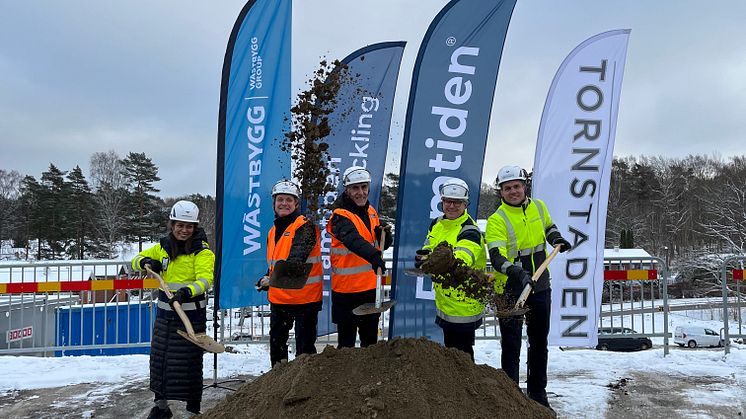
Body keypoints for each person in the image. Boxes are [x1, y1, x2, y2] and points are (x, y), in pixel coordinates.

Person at [485, 165, 572, 410]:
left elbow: (549, 228)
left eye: (516, 186)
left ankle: (538, 393)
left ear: (525, 186)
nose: (513, 191)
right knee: (511, 345)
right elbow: (497, 257)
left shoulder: (538, 206)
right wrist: (518, 273)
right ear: (500, 192)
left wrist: (556, 239)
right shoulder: (496, 220)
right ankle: (511, 396)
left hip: (541, 285)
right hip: (512, 291)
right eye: (507, 188)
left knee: (539, 342)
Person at [132, 200, 215, 419]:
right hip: (164, 317)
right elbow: (135, 260)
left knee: (189, 364)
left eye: (189, 226)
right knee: (160, 361)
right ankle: (161, 406)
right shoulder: (162, 248)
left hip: (190, 316)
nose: (184, 230)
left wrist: (187, 291)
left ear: (195, 228)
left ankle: (192, 410)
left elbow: (206, 280)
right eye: (180, 225)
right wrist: (146, 262)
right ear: (172, 224)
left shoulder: (202, 252)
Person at [414, 178, 486, 361]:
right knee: (451, 353)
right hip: (445, 301)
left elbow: (462, 260)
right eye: (447, 201)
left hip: (464, 304)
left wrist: (434, 263)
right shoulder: (437, 223)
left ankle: (467, 388)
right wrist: (423, 257)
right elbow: (429, 245)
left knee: (462, 356)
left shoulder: (470, 231)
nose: (451, 206)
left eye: (457, 202)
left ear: (465, 204)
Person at [255, 180, 323, 366]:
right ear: (274, 203)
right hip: (280, 299)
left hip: (305, 300)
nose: (284, 203)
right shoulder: (272, 231)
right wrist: (265, 277)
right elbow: (276, 263)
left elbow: (296, 259)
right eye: (280, 199)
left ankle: (304, 387)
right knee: (277, 349)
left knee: (305, 352)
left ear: (296, 204)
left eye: (289, 200)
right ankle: (277, 386)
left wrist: (271, 280)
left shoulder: (306, 227)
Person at [326, 166, 392, 348]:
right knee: (346, 345)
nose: (360, 193)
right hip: (346, 292)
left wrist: (384, 238)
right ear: (347, 190)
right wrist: (374, 256)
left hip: (369, 288)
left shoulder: (371, 212)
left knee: (370, 343)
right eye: (355, 188)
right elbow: (352, 240)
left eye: (364, 187)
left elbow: (375, 244)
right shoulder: (340, 216)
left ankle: (368, 377)